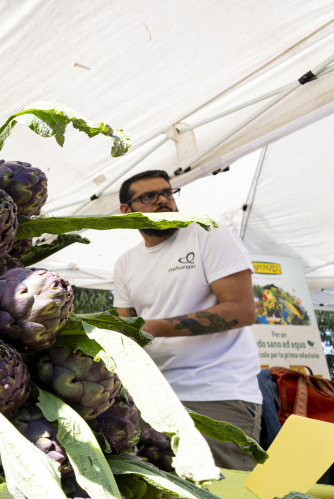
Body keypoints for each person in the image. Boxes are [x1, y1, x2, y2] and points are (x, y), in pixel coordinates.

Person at [112, 170, 262, 471]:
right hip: (152, 401)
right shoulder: (125, 263)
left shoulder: (207, 233)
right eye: (149, 196)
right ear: (126, 210)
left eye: (167, 192)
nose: (164, 201)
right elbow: (123, 331)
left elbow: (242, 309)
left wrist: (155, 327)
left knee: (221, 489)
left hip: (217, 394)